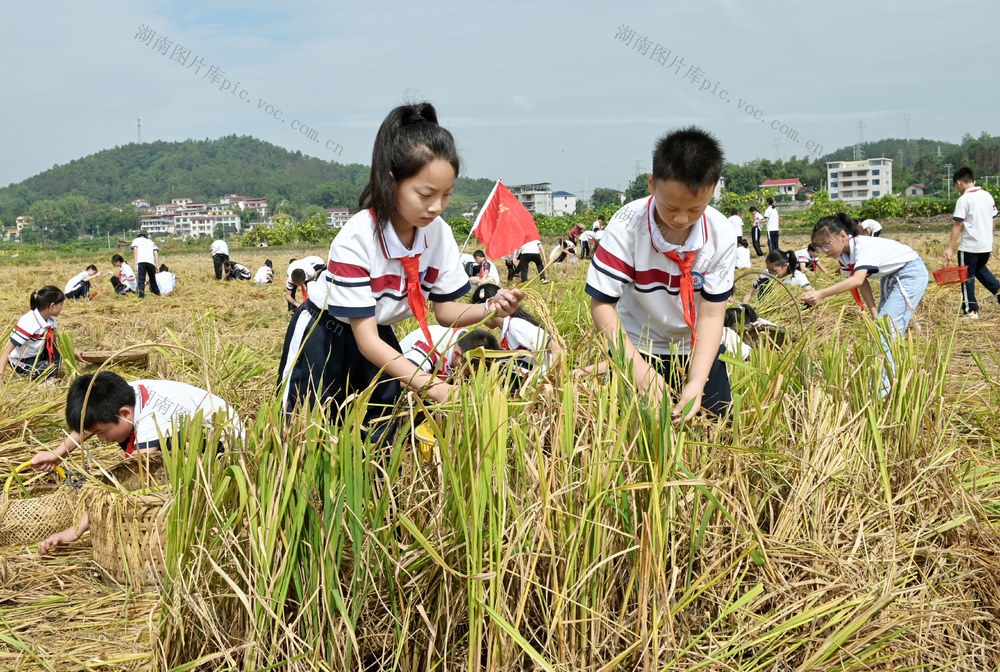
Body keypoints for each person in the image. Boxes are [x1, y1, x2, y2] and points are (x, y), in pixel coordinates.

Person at [275, 101, 524, 439]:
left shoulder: (438, 234)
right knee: (302, 432)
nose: (436, 207)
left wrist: (490, 308)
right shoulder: (358, 237)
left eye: (446, 195)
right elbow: (365, 340)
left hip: (379, 334)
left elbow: (445, 312)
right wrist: (436, 388)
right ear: (392, 181)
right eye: (425, 194)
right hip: (324, 335)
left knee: (378, 432)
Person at [586, 126, 735, 420]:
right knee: (634, 431)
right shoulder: (626, 225)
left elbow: (711, 315)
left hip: (696, 347)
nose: (681, 219)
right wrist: (638, 369)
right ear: (652, 184)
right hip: (637, 345)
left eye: (696, 209)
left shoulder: (722, 234)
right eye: (670, 207)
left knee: (717, 427)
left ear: (713, 189)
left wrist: (697, 382)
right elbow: (602, 305)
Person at [29, 371, 241, 554]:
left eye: (100, 432)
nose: (100, 439)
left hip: (226, 447)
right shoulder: (122, 394)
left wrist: (75, 531)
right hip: (195, 427)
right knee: (128, 439)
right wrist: (57, 454)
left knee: (142, 472)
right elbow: (92, 421)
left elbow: (127, 483)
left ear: (124, 413)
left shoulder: (153, 423)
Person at [802, 213, 927, 396]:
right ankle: (894, 377)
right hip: (891, 277)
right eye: (820, 247)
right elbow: (862, 282)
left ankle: (882, 389)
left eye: (827, 244)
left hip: (910, 273)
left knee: (886, 328)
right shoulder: (844, 257)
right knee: (884, 327)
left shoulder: (862, 246)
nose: (825, 250)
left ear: (842, 235)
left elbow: (857, 279)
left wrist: (820, 293)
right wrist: (873, 311)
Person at [944, 167, 999, 319]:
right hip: (986, 245)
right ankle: (998, 290)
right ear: (973, 181)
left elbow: (958, 225)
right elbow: (995, 217)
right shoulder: (987, 196)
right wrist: (988, 233)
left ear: (959, 183)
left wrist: (950, 248)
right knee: (979, 269)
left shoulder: (964, 200)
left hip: (969, 247)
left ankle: (971, 311)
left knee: (967, 277)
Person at [0, 286, 84, 384]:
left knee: (55, 340)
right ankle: (49, 376)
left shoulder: (51, 320)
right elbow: (7, 351)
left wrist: (73, 352)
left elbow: (58, 343)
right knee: (45, 370)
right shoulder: (29, 322)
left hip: (37, 355)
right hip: (21, 360)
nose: (62, 308)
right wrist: (0, 374)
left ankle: (52, 373)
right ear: (52, 305)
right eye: (61, 304)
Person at [472, 283, 560, 374]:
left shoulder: (516, 326)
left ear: (489, 307)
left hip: (548, 377)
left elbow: (555, 348)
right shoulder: (508, 329)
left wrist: (551, 377)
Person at [399, 325, 499, 382]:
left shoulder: (467, 343)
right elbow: (403, 379)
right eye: (468, 373)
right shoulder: (431, 344)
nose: (469, 376)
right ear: (457, 355)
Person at [742, 249, 812, 304]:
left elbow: (810, 291)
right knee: (764, 283)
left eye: (774, 271)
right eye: (769, 270)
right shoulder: (766, 274)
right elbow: (750, 293)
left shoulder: (797, 276)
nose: (772, 274)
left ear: (785, 265)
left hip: (788, 308)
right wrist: (745, 304)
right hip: (767, 306)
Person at [131, 232, 160, 298]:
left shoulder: (136, 240)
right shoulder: (151, 241)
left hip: (141, 261)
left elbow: (135, 251)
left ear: (138, 236)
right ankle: (157, 293)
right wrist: (157, 265)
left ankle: (141, 295)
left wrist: (135, 264)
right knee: (152, 279)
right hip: (151, 262)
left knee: (141, 279)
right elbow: (156, 253)